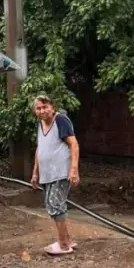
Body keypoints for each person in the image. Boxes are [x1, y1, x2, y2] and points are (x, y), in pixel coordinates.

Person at [30, 95, 80, 255]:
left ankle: (63, 245)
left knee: (55, 205)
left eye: (45, 107)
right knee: (51, 205)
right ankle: (67, 240)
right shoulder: (40, 124)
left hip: (60, 171)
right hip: (47, 172)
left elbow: (74, 144)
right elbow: (40, 148)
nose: (42, 111)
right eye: (38, 108)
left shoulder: (61, 120)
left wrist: (74, 169)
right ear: (34, 111)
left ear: (52, 108)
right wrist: (35, 172)